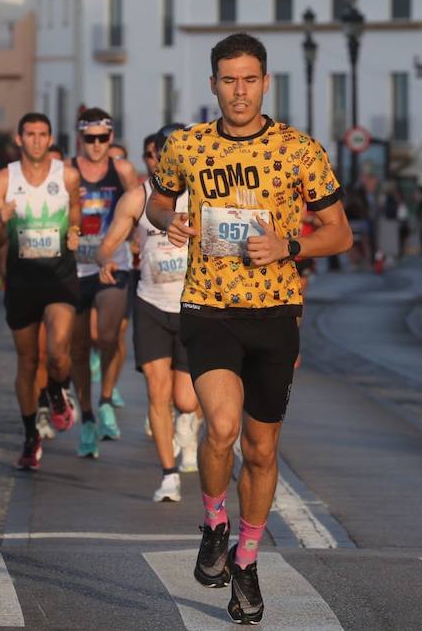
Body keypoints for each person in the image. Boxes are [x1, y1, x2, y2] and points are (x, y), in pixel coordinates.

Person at [147, 33, 352, 625]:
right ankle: (214, 522)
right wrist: (174, 220)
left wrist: (290, 244)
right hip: (209, 308)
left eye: (249, 79)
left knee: (261, 451)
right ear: (213, 84)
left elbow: (340, 233)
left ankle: (247, 557)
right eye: (228, 80)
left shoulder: (299, 150)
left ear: (266, 82)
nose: (239, 91)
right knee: (222, 427)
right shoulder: (187, 146)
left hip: (275, 312)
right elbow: (157, 205)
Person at [97, 123, 201, 502]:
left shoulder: (204, 195)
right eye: (163, 153)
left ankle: (188, 421)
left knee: (187, 400)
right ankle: (169, 474)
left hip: (194, 306)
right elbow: (107, 243)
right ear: (155, 156)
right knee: (157, 393)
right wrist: (104, 259)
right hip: (151, 303)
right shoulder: (137, 198)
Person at [0, 112, 82, 471]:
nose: (38, 140)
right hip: (22, 278)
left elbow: (75, 212)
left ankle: (58, 389)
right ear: (19, 138)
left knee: (58, 352)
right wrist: (0, 219)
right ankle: (31, 436)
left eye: (44, 134)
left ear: (50, 138)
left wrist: (74, 231)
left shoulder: (67, 176)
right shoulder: (3, 180)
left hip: (58, 276)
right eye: (31, 134)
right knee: (27, 362)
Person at [69, 107, 142, 456]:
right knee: (79, 348)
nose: (96, 145)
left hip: (114, 264)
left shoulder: (123, 170)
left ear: (110, 137)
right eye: (89, 138)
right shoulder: (67, 172)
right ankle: (85, 418)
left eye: (102, 138)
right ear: (80, 138)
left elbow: (141, 206)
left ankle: (106, 399)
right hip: (75, 268)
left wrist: (139, 237)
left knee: (108, 336)